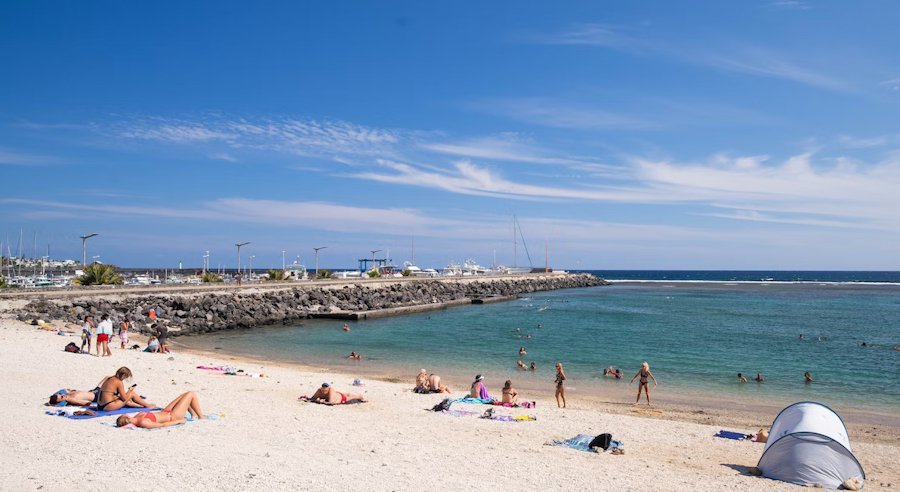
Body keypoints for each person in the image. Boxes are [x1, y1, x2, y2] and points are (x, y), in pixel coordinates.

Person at [116, 391, 204, 428]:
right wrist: (178, 421)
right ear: (126, 417)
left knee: (183, 395)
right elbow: (162, 425)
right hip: (172, 417)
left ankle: (193, 414)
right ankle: (201, 417)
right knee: (191, 394)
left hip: (165, 412)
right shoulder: (143, 422)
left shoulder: (136, 417)